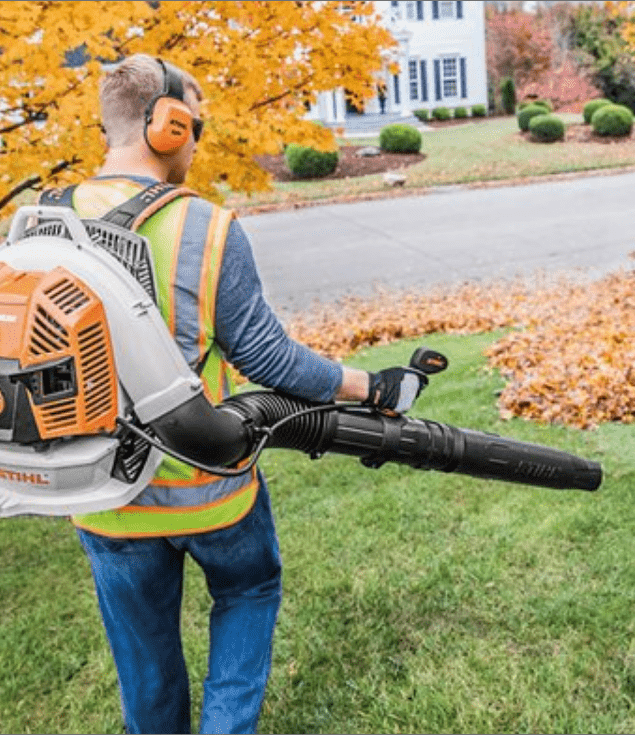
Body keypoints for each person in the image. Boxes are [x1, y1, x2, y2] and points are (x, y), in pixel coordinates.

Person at [60, 55, 423, 734]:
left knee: (144, 659)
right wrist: (368, 385)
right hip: (210, 486)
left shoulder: (50, 220)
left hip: (105, 501)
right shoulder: (202, 226)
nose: (195, 140)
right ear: (167, 125)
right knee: (249, 589)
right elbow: (267, 357)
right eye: (193, 124)